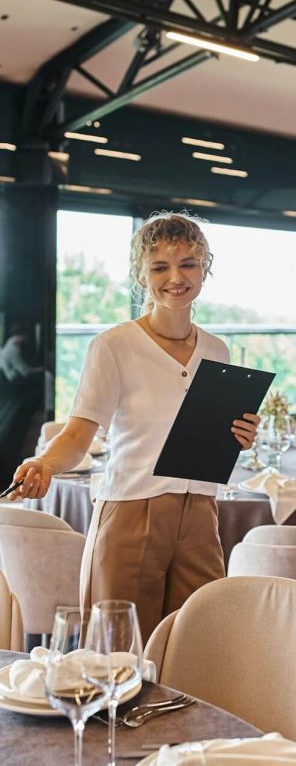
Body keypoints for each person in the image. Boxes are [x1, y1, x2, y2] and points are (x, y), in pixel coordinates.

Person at [9, 212, 260, 641]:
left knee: (195, 645)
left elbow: (209, 434)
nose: (175, 278)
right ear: (141, 277)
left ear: (204, 269)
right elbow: (78, 433)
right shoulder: (113, 346)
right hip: (131, 510)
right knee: (119, 651)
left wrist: (241, 435)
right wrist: (45, 462)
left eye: (188, 264)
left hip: (202, 514)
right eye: (160, 267)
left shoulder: (217, 349)